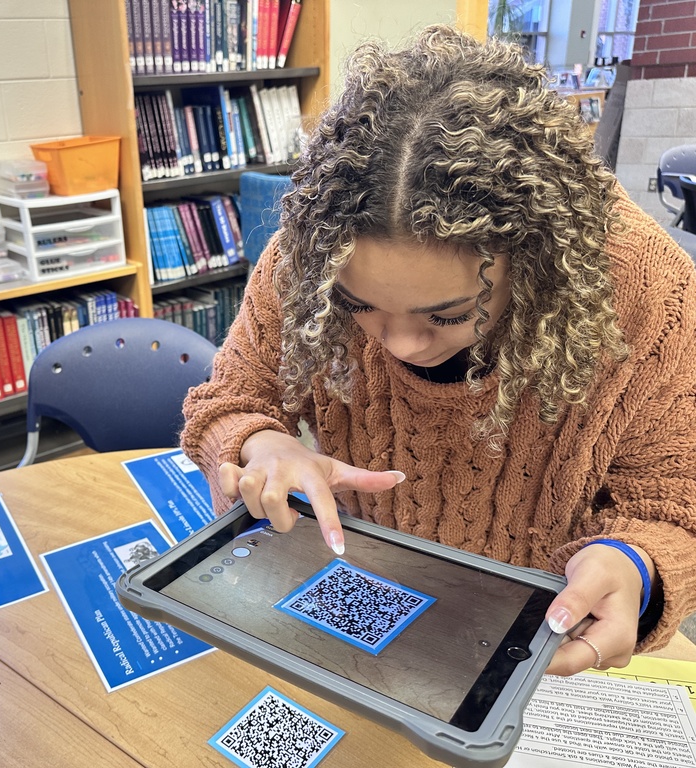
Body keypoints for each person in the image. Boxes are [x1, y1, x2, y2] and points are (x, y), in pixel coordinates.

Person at [180, 24, 696, 677]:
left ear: (535, 264)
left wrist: (636, 568)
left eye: (446, 314)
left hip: (536, 637)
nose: (396, 343)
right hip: (360, 602)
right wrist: (263, 444)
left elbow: (674, 502)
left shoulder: (646, 289)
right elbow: (228, 399)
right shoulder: (315, 249)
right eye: (356, 303)